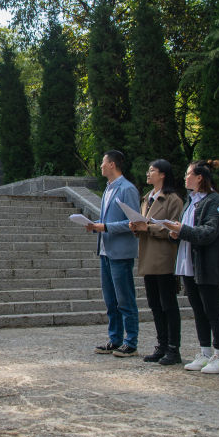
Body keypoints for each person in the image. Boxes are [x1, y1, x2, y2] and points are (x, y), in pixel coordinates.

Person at [164, 160, 219, 374]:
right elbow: (187, 231)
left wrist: (182, 229)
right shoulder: (190, 201)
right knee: (198, 311)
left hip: (208, 264)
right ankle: (204, 352)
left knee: (212, 310)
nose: (185, 178)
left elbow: (208, 232)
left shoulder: (214, 200)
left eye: (188, 174)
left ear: (199, 177)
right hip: (189, 264)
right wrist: (175, 233)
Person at [85, 150, 141, 357]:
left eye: (103, 161)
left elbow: (134, 222)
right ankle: (115, 338)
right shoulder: (108, 189)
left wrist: (105, 227)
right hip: (105, 251)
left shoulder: (127, 189)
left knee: (125, 299)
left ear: (112, 164)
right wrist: (96, 227)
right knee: (110, 300)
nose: (100, 165)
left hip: (120, 252)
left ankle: (131, 341)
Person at [129, 159, 184, 365]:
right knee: (154, 304)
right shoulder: (147, 198)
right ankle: (161, 346)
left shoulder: (173, 200)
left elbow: (175, 228)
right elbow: (145, 226)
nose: (147, 174)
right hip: (147, 257)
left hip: (164, 257)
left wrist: (148, 228)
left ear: (163, 174)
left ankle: (173, 348)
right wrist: (136, 227)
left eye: (152, 171)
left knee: (168, 304)